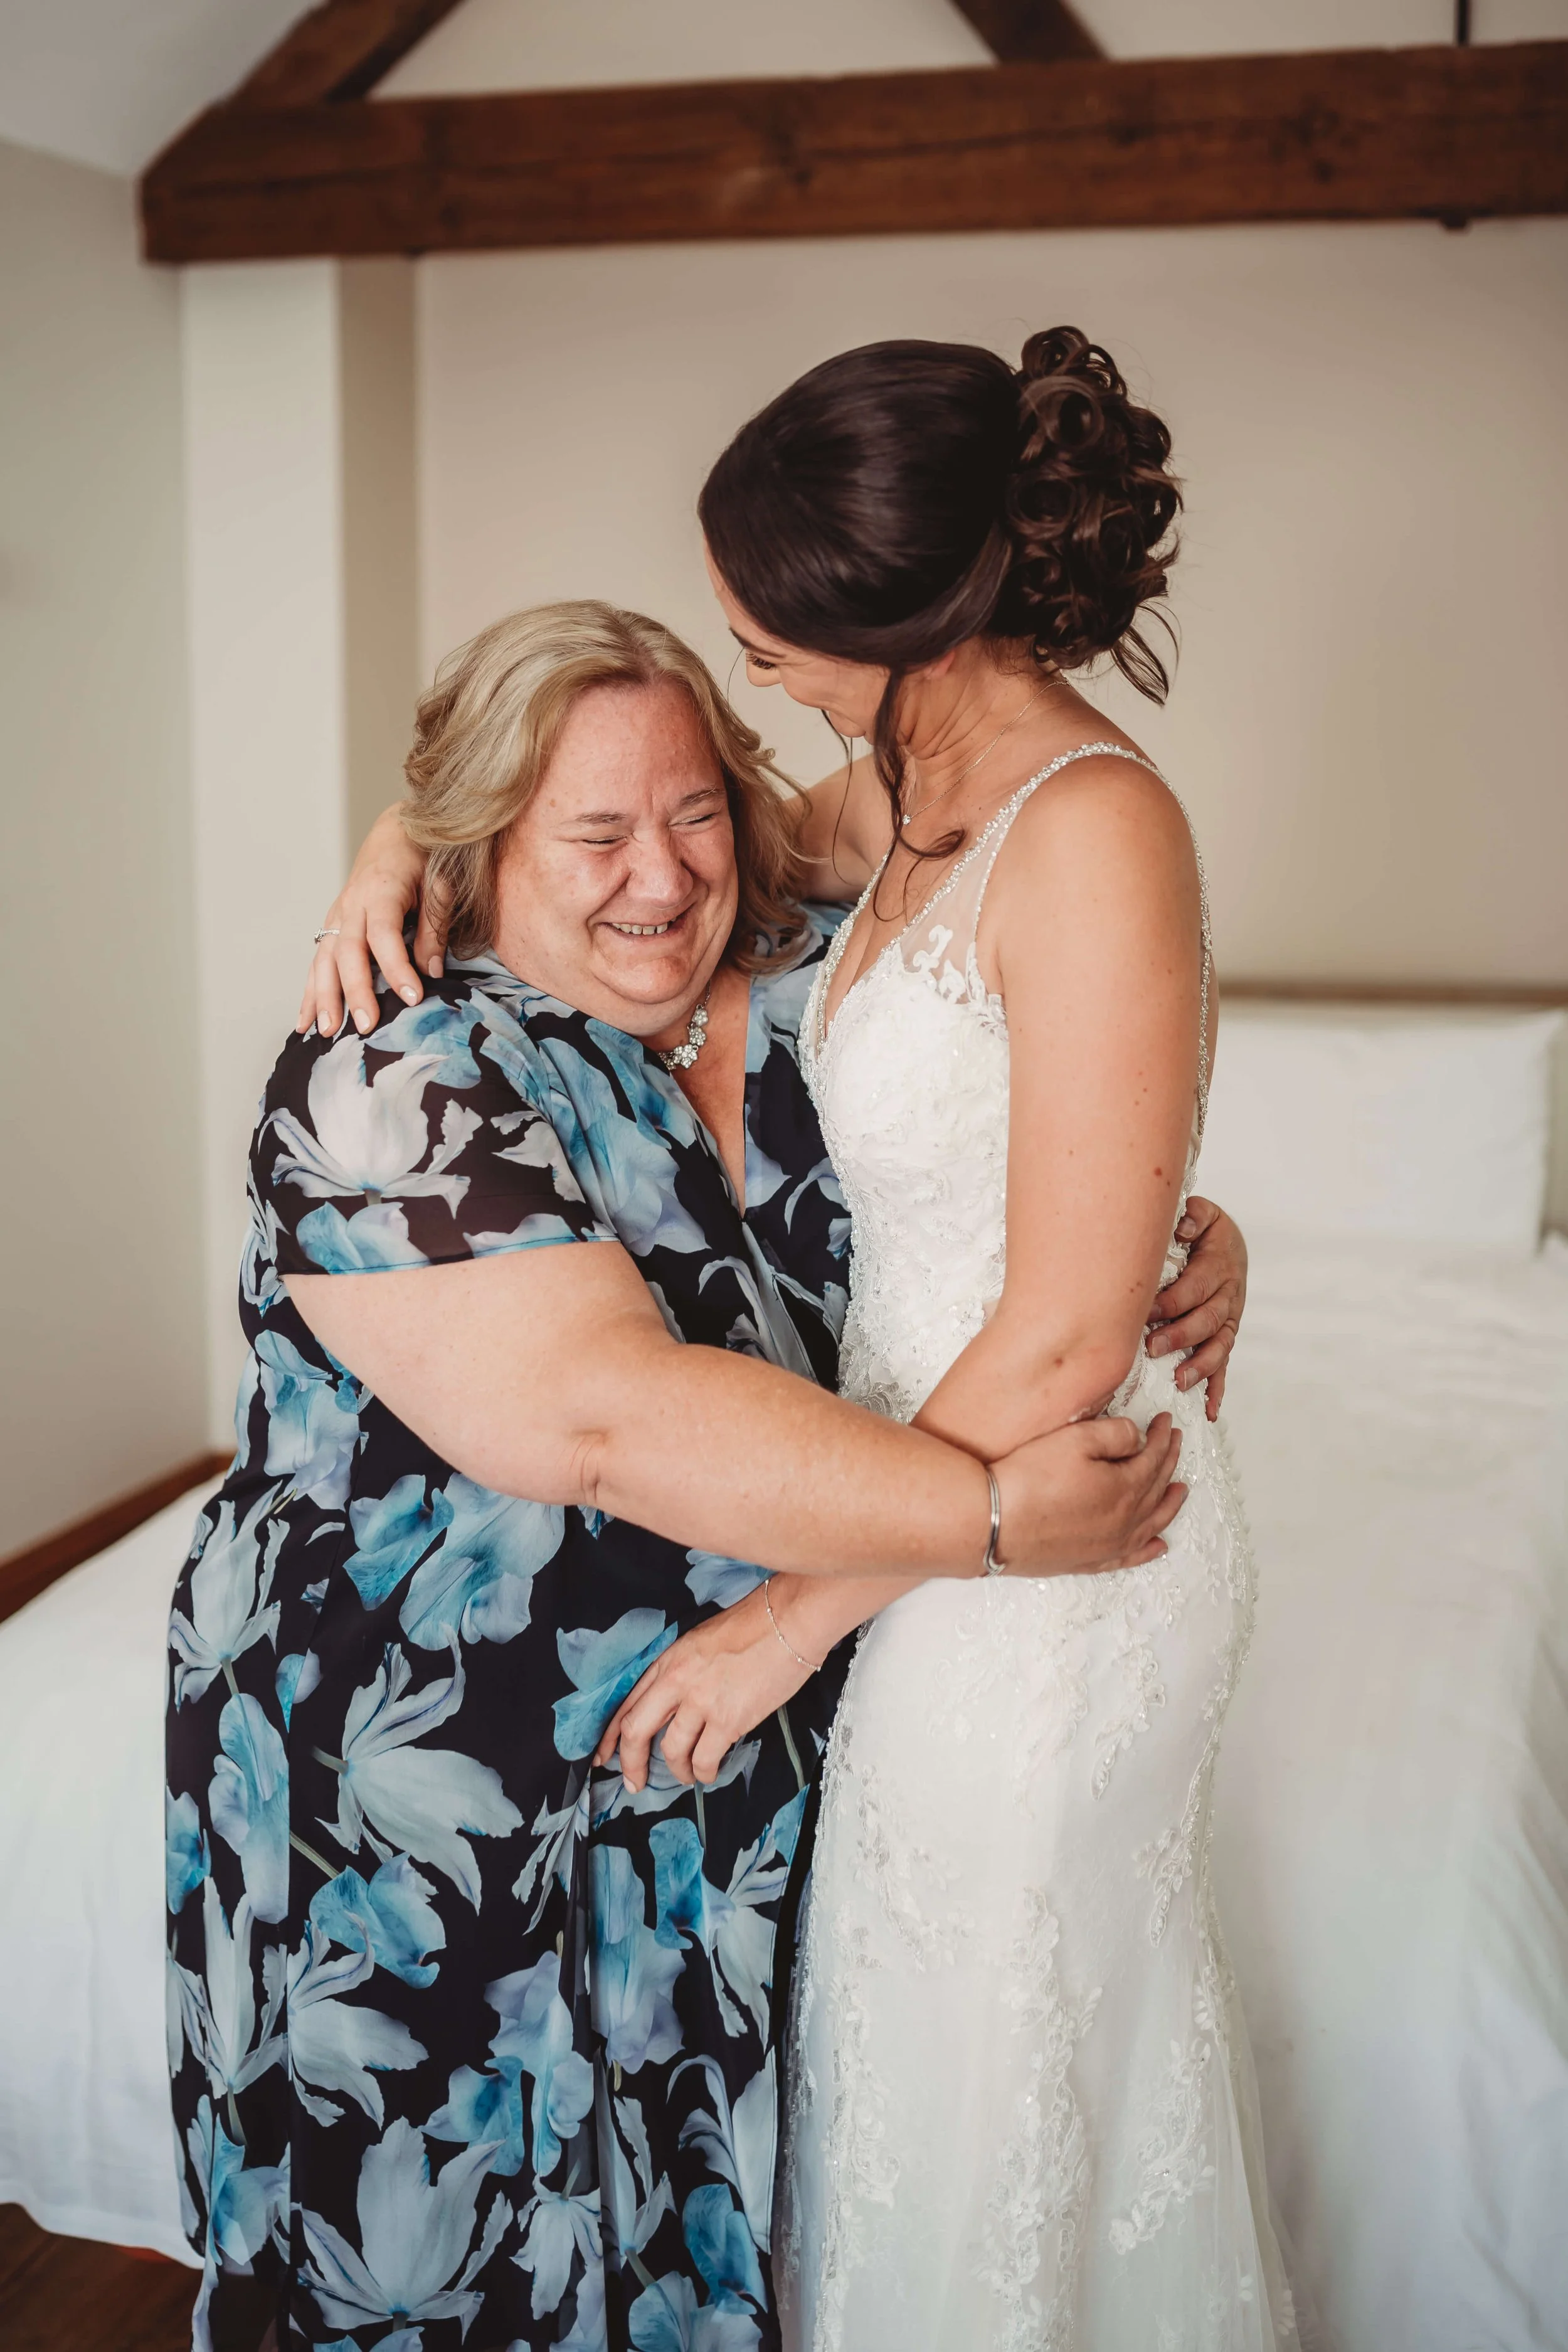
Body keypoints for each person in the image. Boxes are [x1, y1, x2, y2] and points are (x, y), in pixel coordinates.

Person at [304, 329, 1294, 2349]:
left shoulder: (1089, 825)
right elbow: (640, 822)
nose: (747, 652)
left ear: (908, 618)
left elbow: (1063, 1319)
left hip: (1032, 1547)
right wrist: (397, 839)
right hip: (933, 1503)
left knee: (992, 2086)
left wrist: (792, 1617)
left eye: (771, 630)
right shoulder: (900, 787)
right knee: (915, 2089)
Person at [170, 600, 1199, 2352]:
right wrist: (996, 1518)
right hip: (439, 1803)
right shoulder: (387, 1070)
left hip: (727, 1762)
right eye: (590, 833)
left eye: (698, 811)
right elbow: (600, 1417)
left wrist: (1179, 1231)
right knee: (452, 2262)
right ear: (481, 842)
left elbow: (987, 1179)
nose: (661, 872)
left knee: (691, 2248)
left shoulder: (801, 986)